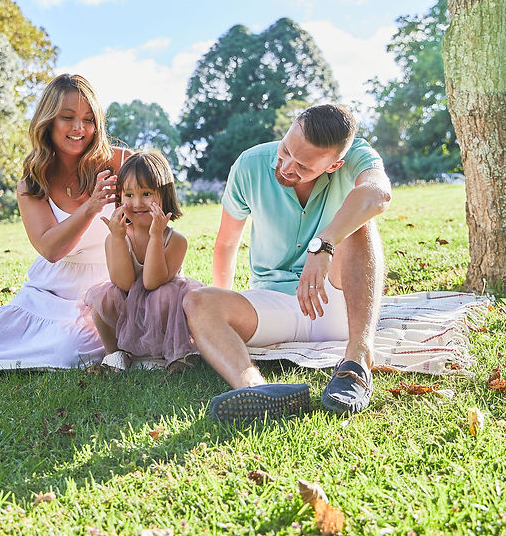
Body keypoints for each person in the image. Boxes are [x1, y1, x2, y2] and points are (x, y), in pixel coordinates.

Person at [182, 103, 392, 420]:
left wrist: (323, 245)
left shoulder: (355, 156)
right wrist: (221, 316)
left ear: (334, 165)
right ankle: (255, 390)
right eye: (286, 150)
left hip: (334, 305)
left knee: (362, 221)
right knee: (197, 301)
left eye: (303, 166)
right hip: (271, 304)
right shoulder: (250, 164)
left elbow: (378, 194)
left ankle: (357, 360)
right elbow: (225, 243)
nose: (286, 166)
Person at [0, 74, 129, 368]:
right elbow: (51, 250)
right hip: (52, 293)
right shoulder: (33, 182)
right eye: (67, 117)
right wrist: (91, 207)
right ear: (48, 121)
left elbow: (153, 216)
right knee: (70, 351)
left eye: (88, 119)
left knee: (88, 344)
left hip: (110, 283)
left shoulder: (121, 162)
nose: (79, 128)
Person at [83, 150, 202, 369]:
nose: (137, 203)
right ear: (120, 198)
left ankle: (175, 355)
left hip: (164, 314)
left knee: (163, 296)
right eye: (129, 195)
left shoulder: (176, 241)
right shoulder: (115, 238)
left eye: (146, 193)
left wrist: (156, 235)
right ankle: (114, 354)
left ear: (164, 195)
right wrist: (118, 239)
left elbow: (151, 282)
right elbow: (124, 283)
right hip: (129, 309)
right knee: (105, 298)